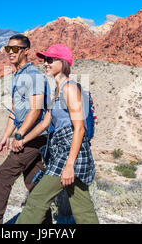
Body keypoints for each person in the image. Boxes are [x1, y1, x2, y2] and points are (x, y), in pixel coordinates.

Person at [15, 44, 99, 224]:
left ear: (63, 63)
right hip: (64, 151)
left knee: (36, 200)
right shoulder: (57, 91)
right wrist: (22, 139)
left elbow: (80, 128)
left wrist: (70, 164)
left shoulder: (70, 88)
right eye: (45, 59)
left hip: (69, 153)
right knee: (83, 208)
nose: (45, 63)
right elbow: (45, 123)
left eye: (50, 60)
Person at [0, 34, 51, 224]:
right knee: (33, 182)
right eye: (7, 48)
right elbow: (15, 112)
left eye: (15, 49)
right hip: (27, 135)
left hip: (33, 137)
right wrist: (5, 136)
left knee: (4, 174)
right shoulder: (17, 75)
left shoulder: (33, 76)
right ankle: (45, 224)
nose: (10, 53)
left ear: (26, 51)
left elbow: (35, 111)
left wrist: (19, 135)